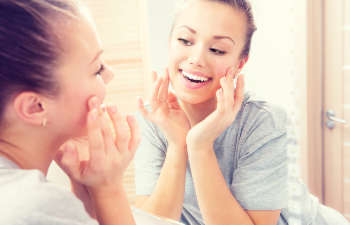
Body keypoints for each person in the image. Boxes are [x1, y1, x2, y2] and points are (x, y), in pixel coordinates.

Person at [133, 0, 350, 224]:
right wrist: (178, 144)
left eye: (217, 49)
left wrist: (199, 146)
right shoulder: (155, 118)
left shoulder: (263, 122)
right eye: (185, 40)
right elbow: (152, 220)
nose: (196, 59)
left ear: (239, 64)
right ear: (170, 44)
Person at [0, 0, 140, 225]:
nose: (110, 75)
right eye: (97, 69)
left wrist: (87, 190)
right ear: (36, 107)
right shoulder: (35, 205)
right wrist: (109, 188)